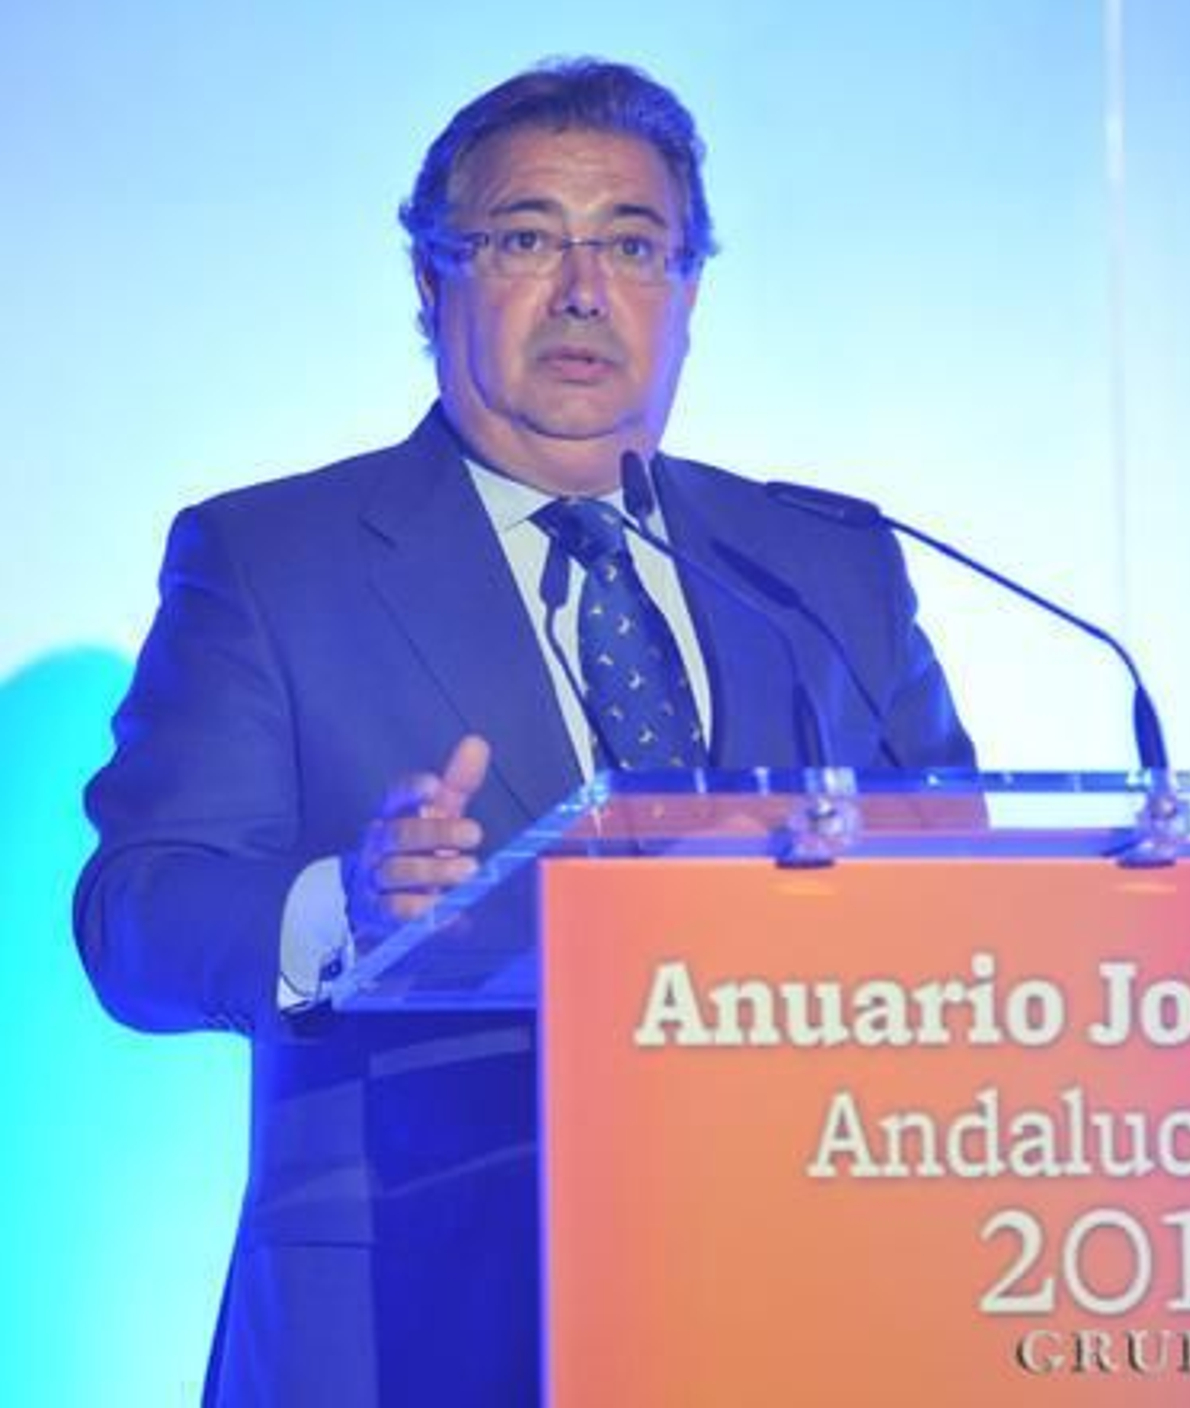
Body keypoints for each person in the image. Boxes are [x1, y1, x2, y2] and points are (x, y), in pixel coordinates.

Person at [74, 58, 973, 1405]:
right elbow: (137, 918)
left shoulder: (825, 562)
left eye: (631, 244)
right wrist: (348, 908)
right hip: (416, 1323)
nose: (581, 288)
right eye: (523, 238)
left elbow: (968, 873)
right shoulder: (272, 560)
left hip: (795, 1288)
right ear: (432, 285)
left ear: (686, 293)